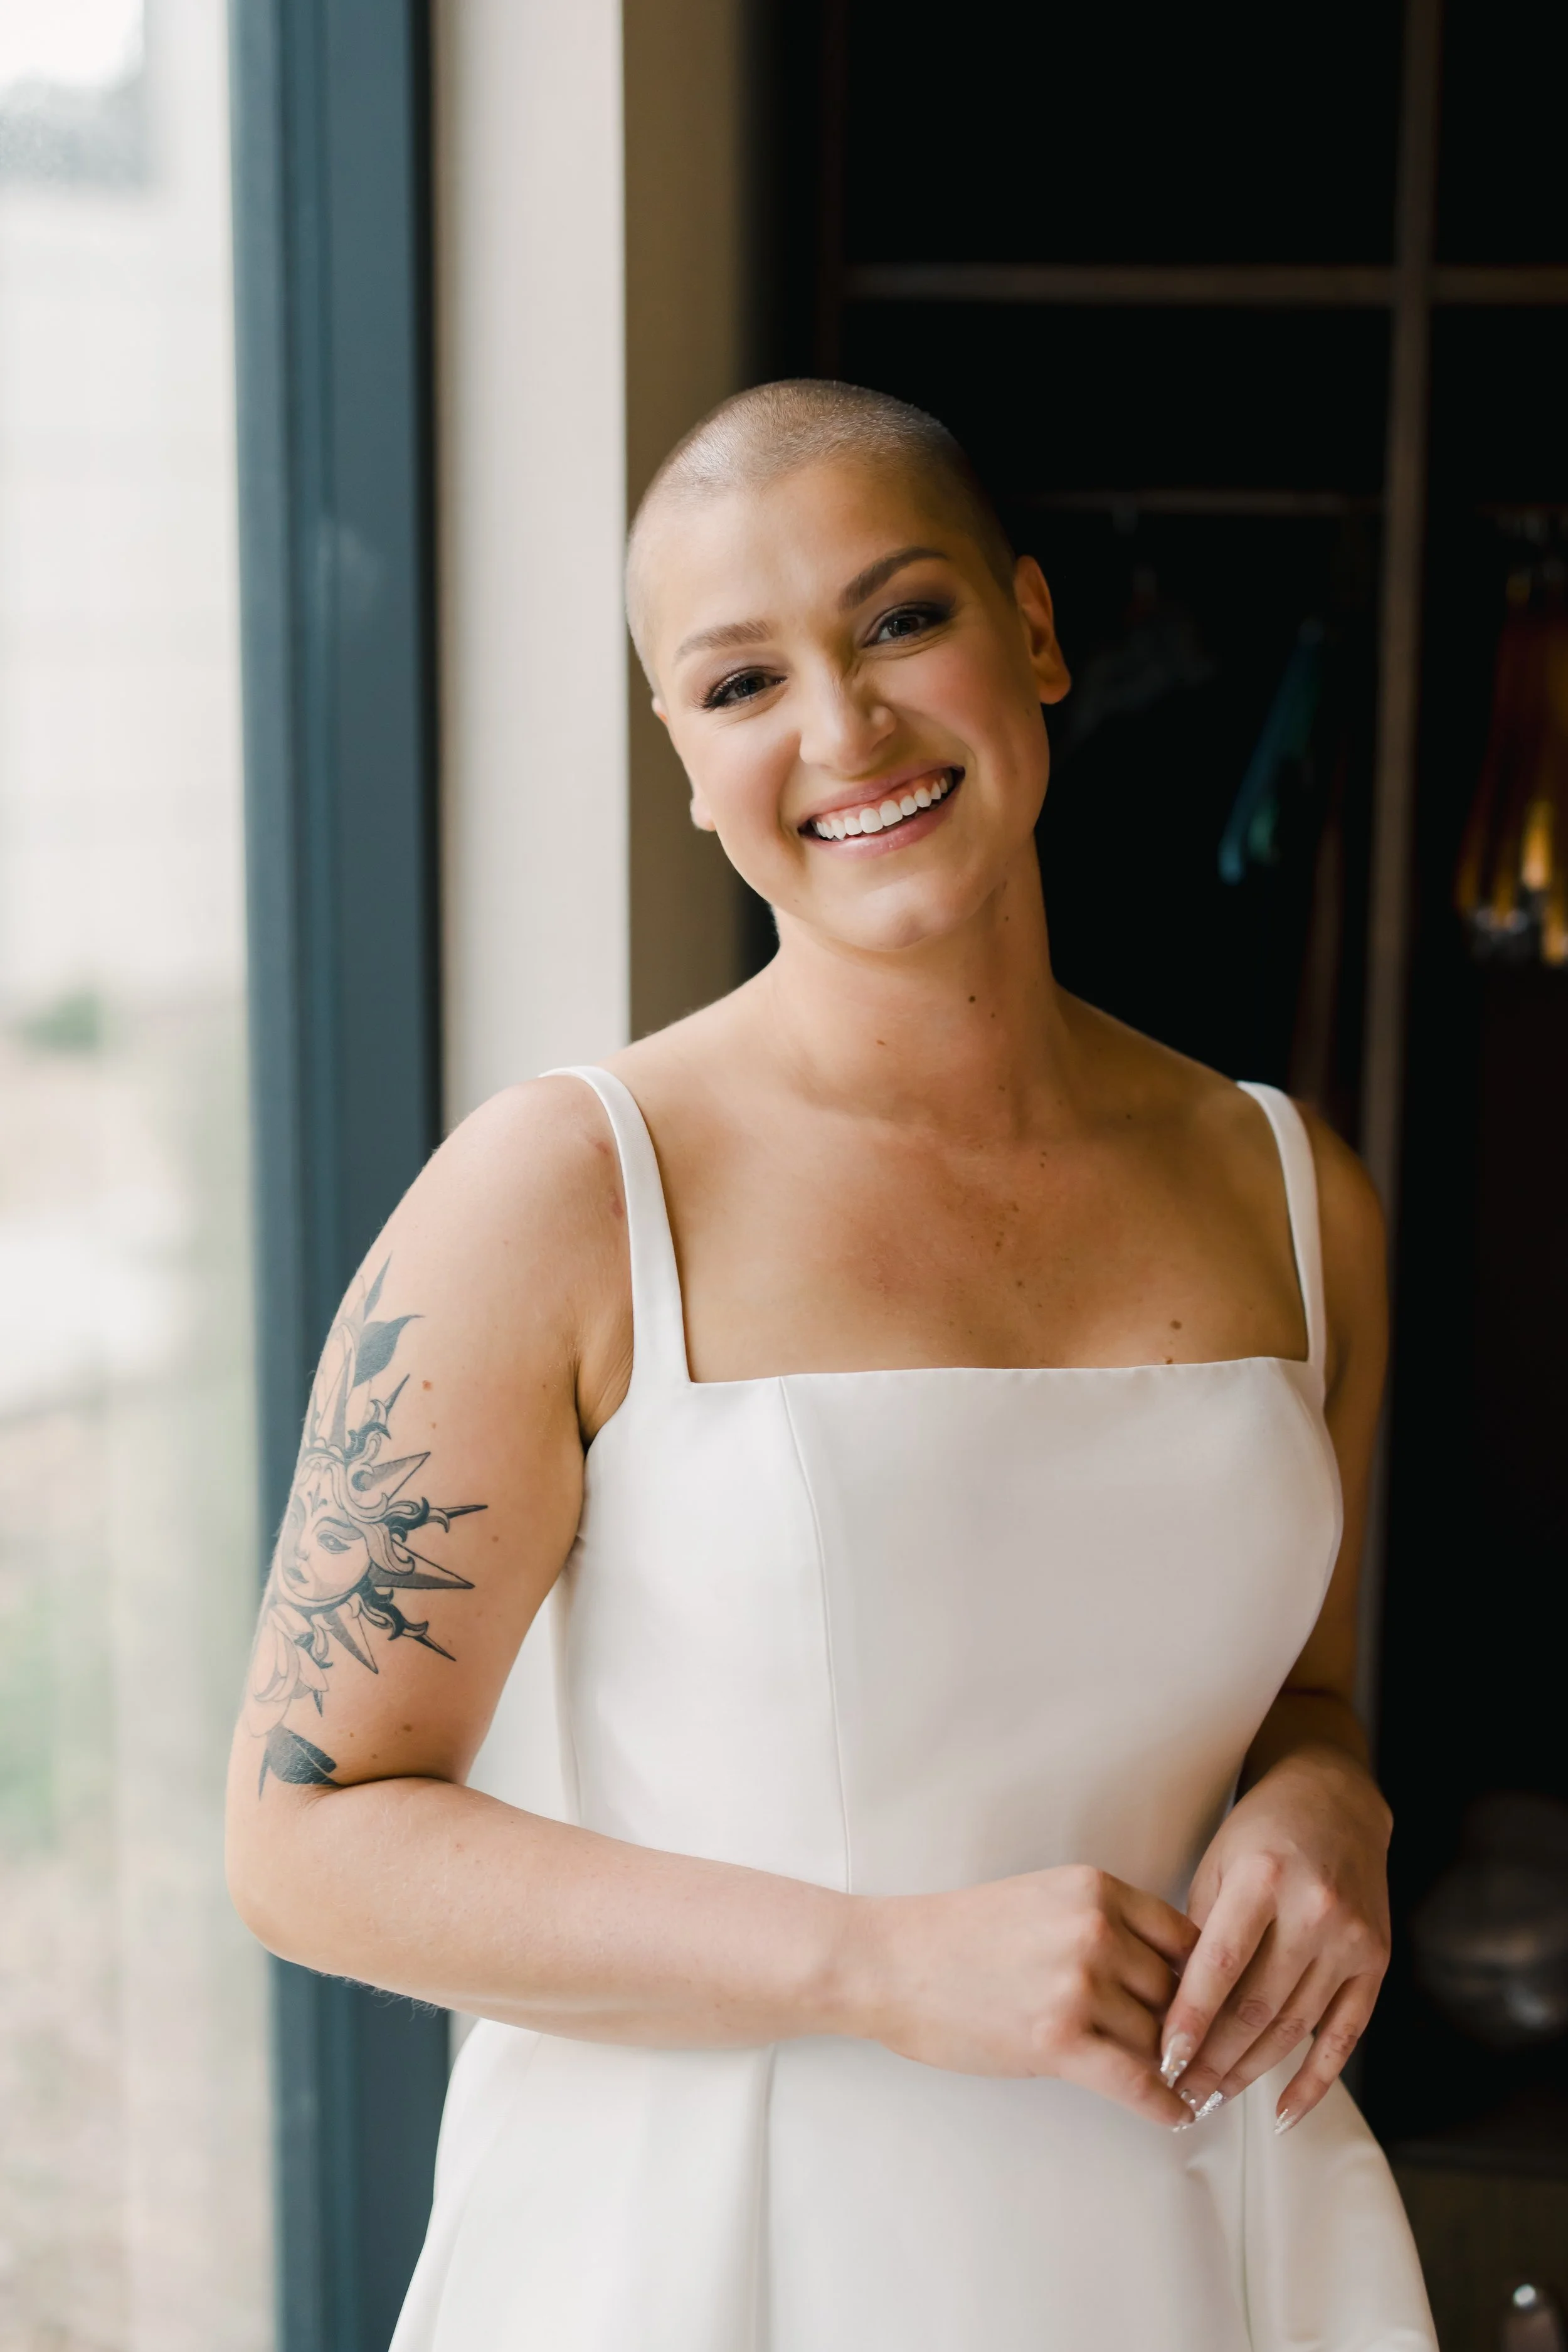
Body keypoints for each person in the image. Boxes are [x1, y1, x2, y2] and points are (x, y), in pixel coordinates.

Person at [226, 380, 1436, 2349]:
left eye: (898, 622)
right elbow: (304, 1836)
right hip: (724, 2253)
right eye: (738, 683)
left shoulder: (1291, 1192)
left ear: (1035, 632)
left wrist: (1330, 1806)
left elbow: (1298, 1694)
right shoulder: (558, 1193)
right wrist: (870, 1962)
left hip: (1200, 2224)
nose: (844, 730)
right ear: (684, 759)